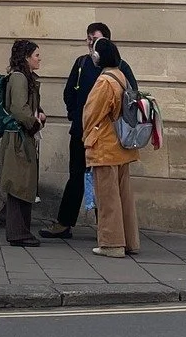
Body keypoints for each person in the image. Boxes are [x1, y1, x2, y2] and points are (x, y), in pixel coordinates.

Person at [43, 20, 136, 240]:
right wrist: (75, 115)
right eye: (88, 39)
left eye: (95, 40)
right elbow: (69, 92)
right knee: (76, 177)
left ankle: (107, 228)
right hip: (80, 132)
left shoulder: (119, 68)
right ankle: (65, 223)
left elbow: (131, 98)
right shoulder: (81, 63)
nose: (90, 44)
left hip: (105, 137)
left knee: (105, 183)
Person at [80, 37, 141, 258]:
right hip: (122, 145)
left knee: (107, 198)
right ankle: (130, 241)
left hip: (105, 145)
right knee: (124, 197)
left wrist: (87, 136)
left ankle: (111, 244)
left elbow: (91, 114)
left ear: (98, 56)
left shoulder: (104, 82)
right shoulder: (120, 76)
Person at [0, 38, 46, 247]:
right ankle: (18, 233)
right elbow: (19, 109)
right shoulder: (19, 78)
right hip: (18, 139)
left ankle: (21, 231)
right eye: (36, 55)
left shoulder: (24, 77)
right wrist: (35, 123)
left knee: (24, 183)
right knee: (19, 184)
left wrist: (39, 114)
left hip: (22, 137)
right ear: (26, 58)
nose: (39, 59)